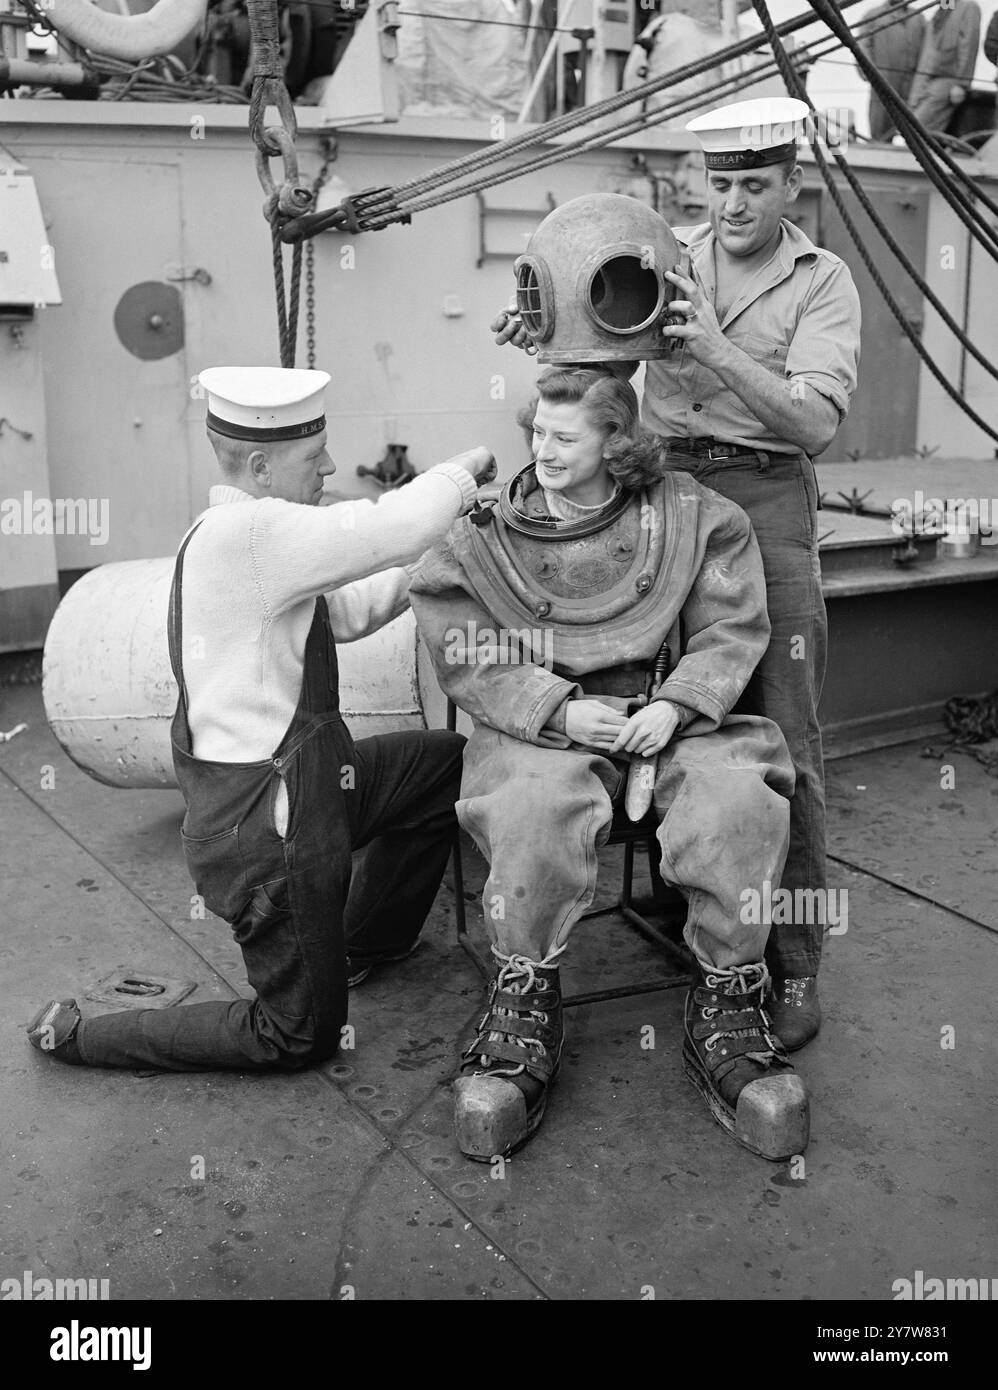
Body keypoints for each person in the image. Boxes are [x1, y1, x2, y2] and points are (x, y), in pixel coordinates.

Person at [493, 98, 862, 1053]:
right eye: (721, 184)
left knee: (787, 736)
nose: (733, 204)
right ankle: (693, 906)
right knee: (655, 702)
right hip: (661, 495)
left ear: (791, 185)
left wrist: (705, 344)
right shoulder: (664, 254)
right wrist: (547, 323)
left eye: (754, 185)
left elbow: (816, 424)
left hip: (766, 501)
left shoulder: (822, 283)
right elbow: (599, 355)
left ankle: (796, 960)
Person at [27, 366, 496, 1072]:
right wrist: (464, 478)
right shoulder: (247, 534)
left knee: (443, 764)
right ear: (259, 465)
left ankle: (363, 942)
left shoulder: (247, 543)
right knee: (295, 1035)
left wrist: (441, 550)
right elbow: (383, 528)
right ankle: (87, 1034)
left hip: (317, 789)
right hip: (270, 834)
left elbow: (346, 612)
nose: (331, 467)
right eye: (315, 457)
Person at [409, 366, 809, 1163]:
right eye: (536, 433)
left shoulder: (693, 517)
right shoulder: (486, 537)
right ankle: (522, 997)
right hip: (541, 728)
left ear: (616, 443)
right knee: (529, 805)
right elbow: (462, 647)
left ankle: (729, 999)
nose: (543, 450)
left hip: (673, 715)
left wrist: (679, 704)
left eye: (566, 437)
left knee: (738, 800)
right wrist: (556, 709)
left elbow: (732, 628)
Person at [907, 0, 982, 134]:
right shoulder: (942, 9)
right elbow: (928, 52)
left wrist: (962, 84)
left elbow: (969, 46)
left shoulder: (968, 7)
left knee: (917, 128)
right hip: (926, 82)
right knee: (910, 126)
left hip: (947, 81)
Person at [857, 1, 926, 142]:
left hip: (912, 82)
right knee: (880, 124)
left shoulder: (919, 18)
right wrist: (868, 73)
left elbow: (928, 47)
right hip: (883, 79)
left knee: (912, 124)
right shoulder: (873, 16)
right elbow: (862, 47)